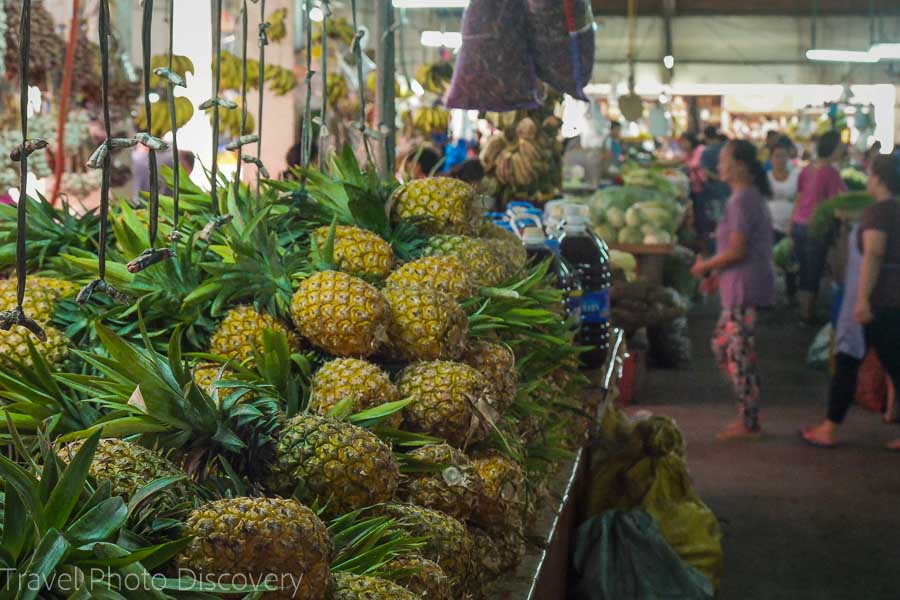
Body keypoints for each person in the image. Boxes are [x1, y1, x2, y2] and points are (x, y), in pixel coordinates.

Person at [800, 152, 900, 450]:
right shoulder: (894, 209)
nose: (868, 180)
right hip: (893, 300)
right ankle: (830, 425)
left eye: (870, 175)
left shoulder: (879, 212)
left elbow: (874, 253)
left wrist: (863, 300)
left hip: (878, 301)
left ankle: (830, 428)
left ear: (879, 179)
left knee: (847, 361)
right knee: (893, 364)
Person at [691, 140, 775, 440]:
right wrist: (716, 270)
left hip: (746, 288)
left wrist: (706, 266)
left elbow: (737, 250)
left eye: (724, 160)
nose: (719, 166)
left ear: (740, 165)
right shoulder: (744, 198)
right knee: (724, 346)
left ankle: (749, 421)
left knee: (738, 354)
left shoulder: (742, 201)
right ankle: (748, 410)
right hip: (738, 285)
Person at [790, 130, 847, 323]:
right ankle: (807, 315)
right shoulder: (831, 173)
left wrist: (791, 225)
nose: (843, 149)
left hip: (799, 225)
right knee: (812, 273)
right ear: (833, 149)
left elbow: (798, 199)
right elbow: (836, 207)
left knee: (804, 270)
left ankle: (802, 312)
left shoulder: (807, 169)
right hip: (815, 229)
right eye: (840, 146)